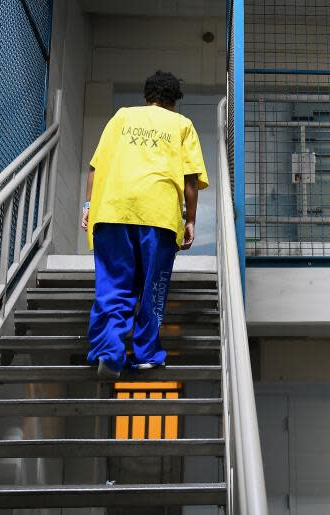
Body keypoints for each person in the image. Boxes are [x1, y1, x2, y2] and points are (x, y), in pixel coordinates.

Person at [80, 71, 208, 378]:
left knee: (113, 284)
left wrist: (88, 206)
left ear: (146, 96)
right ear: (175, 101)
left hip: (113, 210)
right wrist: (189, 220)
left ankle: (109, 350)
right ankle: (146, 354)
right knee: (153, 289)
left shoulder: (121, 117)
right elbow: (190, 180)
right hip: (159, 215)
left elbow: (95, 168)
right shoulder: (182, 125)